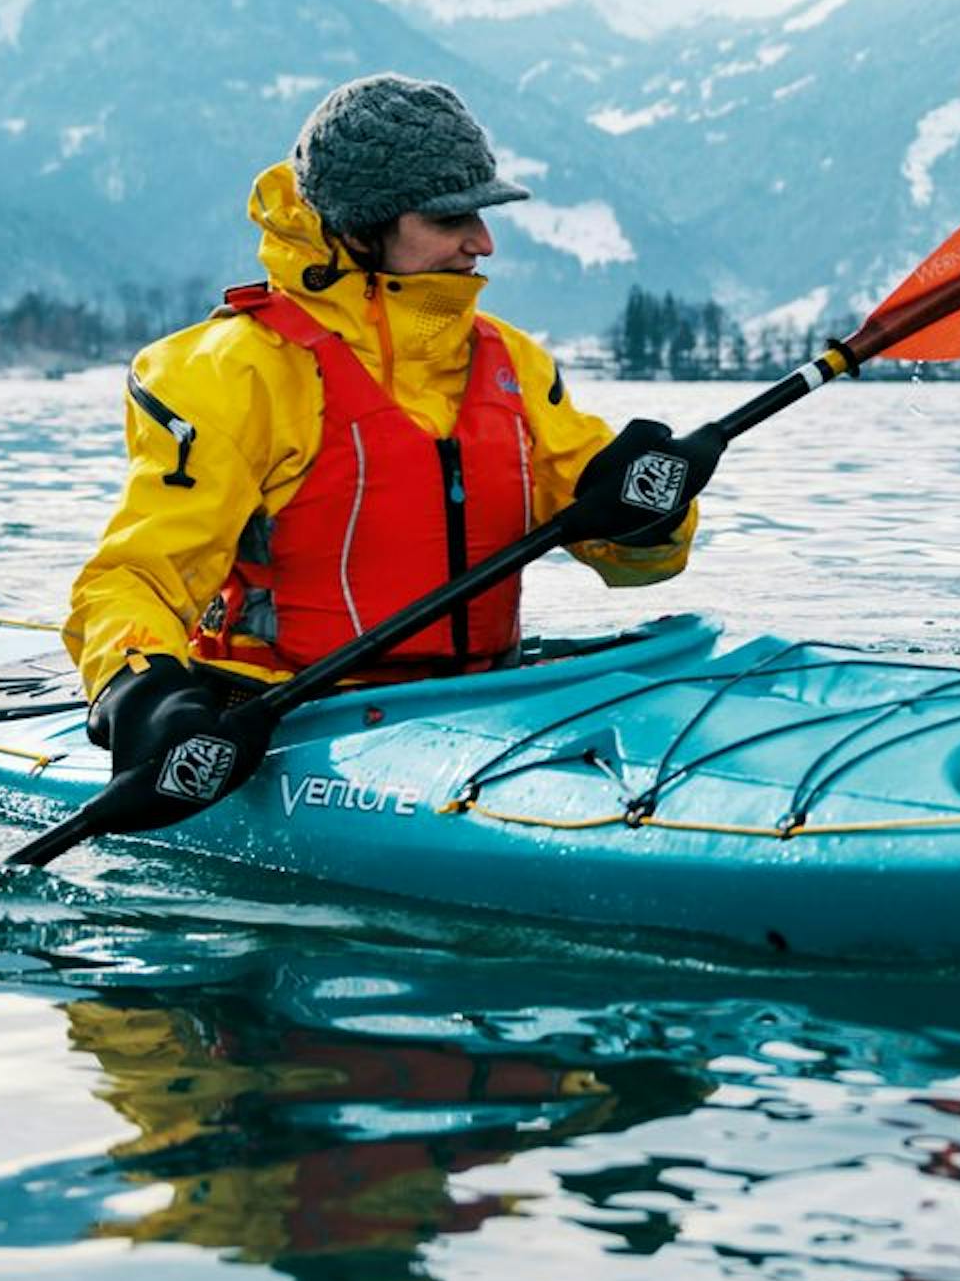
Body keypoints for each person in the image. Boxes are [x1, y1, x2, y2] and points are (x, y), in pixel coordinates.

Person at [66, 73, 719, 792]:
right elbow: (131, 581)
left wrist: (649, 516)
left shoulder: (512, 365)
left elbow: (639, 566)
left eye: (481, 212)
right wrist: (142, 688)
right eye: (448, 220)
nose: (483, 241)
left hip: (484, 711)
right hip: (290, 725)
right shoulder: (240, 374)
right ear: (359, 228)